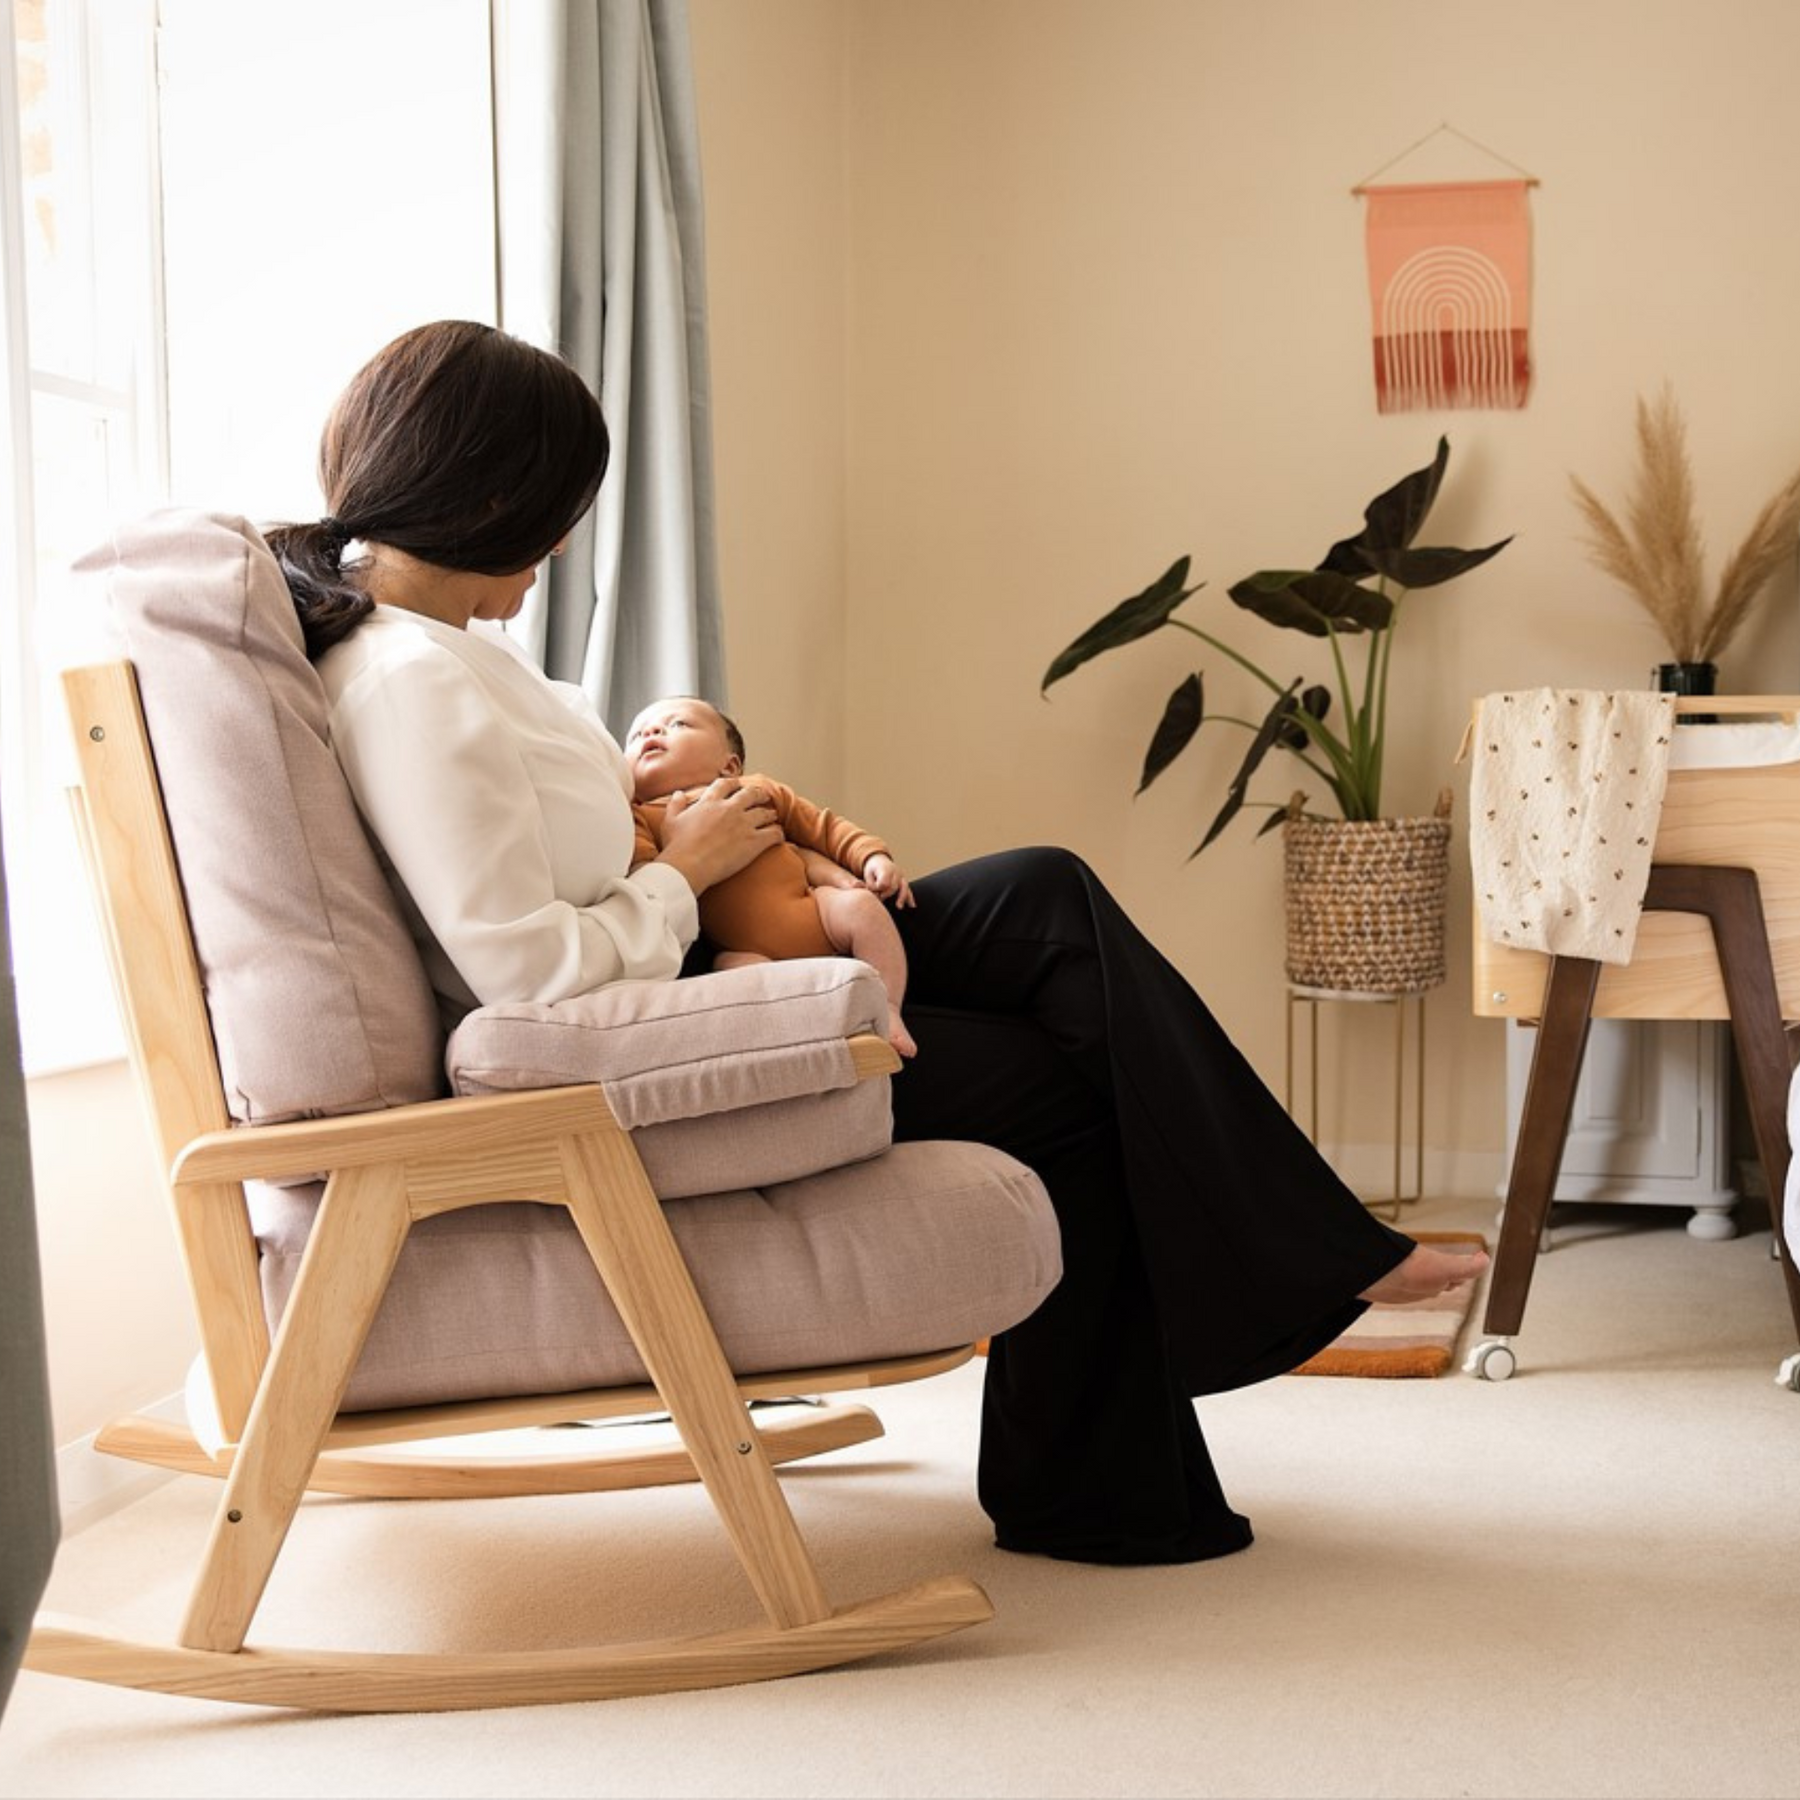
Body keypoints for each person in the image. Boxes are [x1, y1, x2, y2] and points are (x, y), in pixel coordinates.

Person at [271, 319, 1488, 1568]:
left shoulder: (459, 655)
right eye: (556, 505)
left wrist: (741, 849)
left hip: (696, 954)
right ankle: (1128, 1455)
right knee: (1063, 1086)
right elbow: (526, 977)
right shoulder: (410, 685)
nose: (565, 539)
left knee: (1044, 893)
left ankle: (1310, 1261)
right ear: (489, 494)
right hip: (668, 1023)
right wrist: (692, 876)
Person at [624, 694, 918, 1057]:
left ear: (729, 766)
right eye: (635, 735)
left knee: (861, 907)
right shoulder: (638, 818)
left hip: (816, 911)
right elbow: (647, 881)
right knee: (730, 969)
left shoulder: (756, 789)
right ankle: (807, 1037)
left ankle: (886, 1007)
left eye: (678, 724)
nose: (651, 731)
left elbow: (823, 827)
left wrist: (871, 855)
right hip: (745, 950)